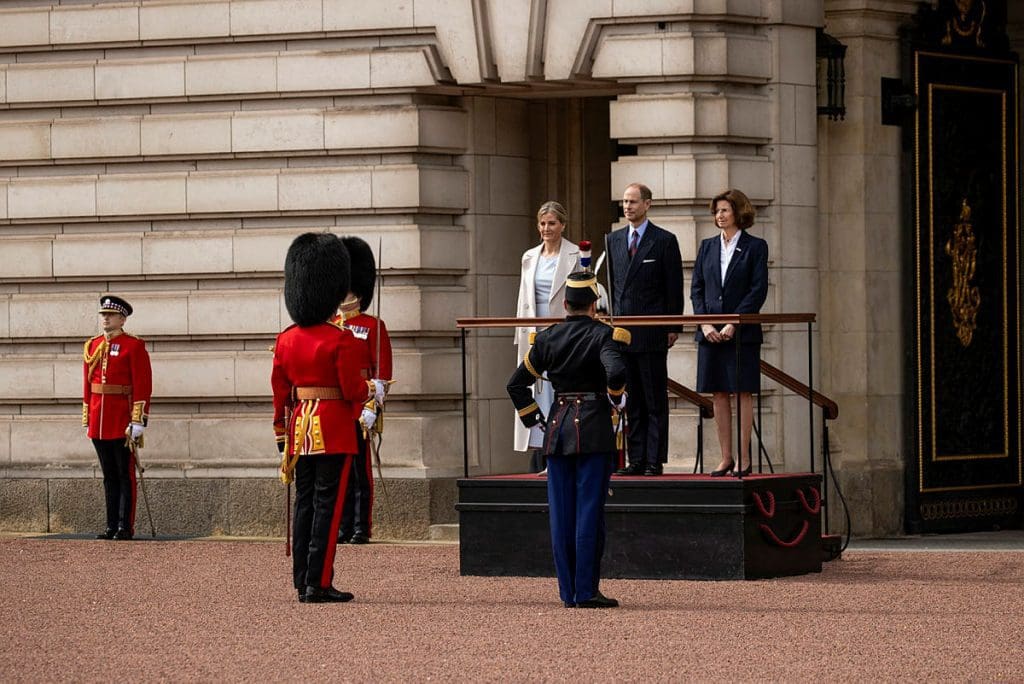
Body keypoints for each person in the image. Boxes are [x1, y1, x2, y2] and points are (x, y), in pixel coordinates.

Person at [271, 232, 387, 603]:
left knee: (305, 503)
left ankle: (301, 578)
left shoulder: (286, 338)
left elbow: (279, 391)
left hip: (299, 429)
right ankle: (318, 582)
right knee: (328, 506)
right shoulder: (342, 341)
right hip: (334, 429)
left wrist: (280, 430)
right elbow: (352, 391)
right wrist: (373, 391)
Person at [507, 272, 630, 608]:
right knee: (589, 512)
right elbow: (616, 372)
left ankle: (568, 592)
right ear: (594, 305)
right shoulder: (606, 335)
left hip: (557, 430)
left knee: (561, 514)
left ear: (565, 304)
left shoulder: (547, 339)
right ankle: (587, 589)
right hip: (593, 429)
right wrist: (616, 396)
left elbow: (516, 385)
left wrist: (535, 419)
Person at [606, 183, 684, 476]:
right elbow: (614, 288)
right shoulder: (613, 240)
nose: (627, 207)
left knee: (654, 400)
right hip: (623, 332)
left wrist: (673, 325)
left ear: (647, 204)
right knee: (631, 400)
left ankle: (654, 459)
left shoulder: (664, 240)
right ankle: (635, 458)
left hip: (652, 331)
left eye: (633, 202)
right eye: (625, 202)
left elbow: (673, 287)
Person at [690, 189, 769, 476]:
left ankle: (744, 458)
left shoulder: (755, 246)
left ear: (738, 212)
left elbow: (757, 290)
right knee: (718, 392)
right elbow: (697, 288)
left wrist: (733, 322)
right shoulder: (707, 246)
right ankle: (726, 458)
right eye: (716, 211)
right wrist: (705, 323)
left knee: (741, 391)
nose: (719, 216)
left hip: (742, 331)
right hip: (710, 331)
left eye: (724, 210)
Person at [514, 201, 582, 472]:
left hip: (562, 334)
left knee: (557, 392)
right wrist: (520, 334)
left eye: (552, 223)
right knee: (535, 392)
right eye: (542, 223)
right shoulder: (529, 256)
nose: (546, 228)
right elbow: (523, 299)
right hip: (533, 334)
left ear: (562, 225)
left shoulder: (575, 254)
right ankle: (541, 451)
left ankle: (559, 449)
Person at [335, 236, 393, 545]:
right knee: (338, 470)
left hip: (359, 405)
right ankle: (342, 525)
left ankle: (360, 526)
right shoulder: (330, 324)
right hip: (335, 405)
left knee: (360, 471)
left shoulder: (372, 325)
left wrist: (373, 406)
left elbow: (382, 372)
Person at [83, 295, 152, 541]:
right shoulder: (92, 345)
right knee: (109, 475)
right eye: (103, 315)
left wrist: (137, 419)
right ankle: (111, 524)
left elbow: (142, 385)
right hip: (99, 419)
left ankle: (125, 526)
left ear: (122, 318)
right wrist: (87, 415)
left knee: (125, 475)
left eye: (110, 315)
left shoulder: (133, 345)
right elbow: (88, 385)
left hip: (122, 419)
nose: (105, 318)